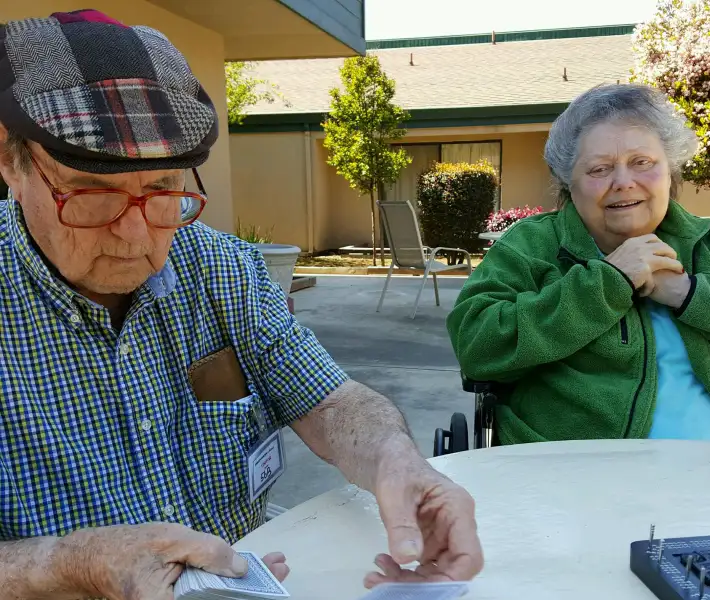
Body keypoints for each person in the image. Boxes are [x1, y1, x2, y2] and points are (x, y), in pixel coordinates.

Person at [0, 10, 482, 599]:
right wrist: (66, 565)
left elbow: (330, 403)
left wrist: (398, 463)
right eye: (93, 196)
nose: (136, 236)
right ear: (10, 159)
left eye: (162, 191)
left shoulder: (223, 268)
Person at [447, 83, 710, 447]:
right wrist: (610, 282)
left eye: (642, 163)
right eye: (599, 169)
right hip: (580, 476)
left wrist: (687, 293)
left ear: (670, 170)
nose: (623, 183)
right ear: (570, 182)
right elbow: (478, 347)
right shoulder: (532, 246)